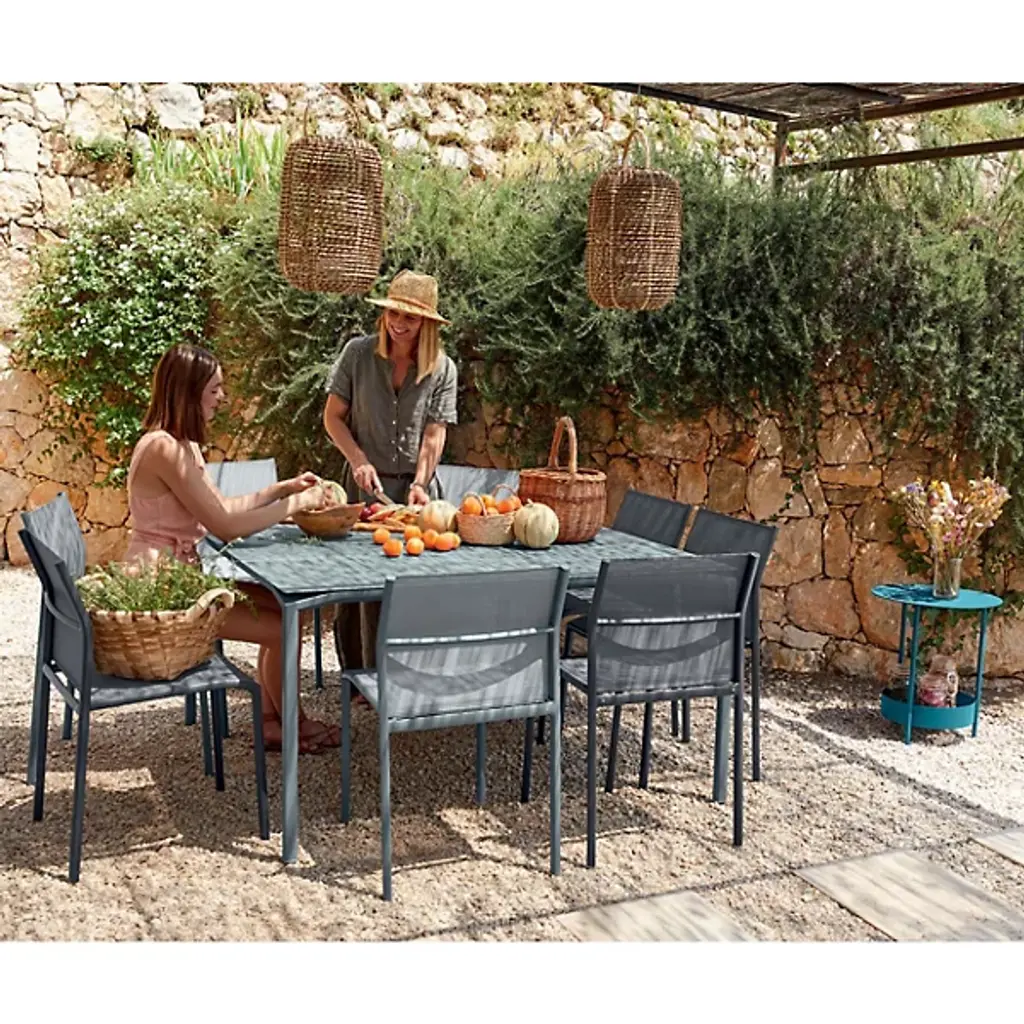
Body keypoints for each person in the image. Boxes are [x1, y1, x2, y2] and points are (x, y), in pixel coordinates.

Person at [125, 343, 340, 754]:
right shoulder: (162, 447)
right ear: (188, 392)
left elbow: (220, 509)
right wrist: (297, 504)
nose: (221, 398)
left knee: (284, 608)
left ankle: (273, 722)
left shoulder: (182, 445)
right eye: (214, 390)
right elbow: (224, 526)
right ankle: (291, 725)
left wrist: (280, 490)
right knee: (282, 626)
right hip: (162, 591)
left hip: (184, 578)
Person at [323, 270, 458, 669]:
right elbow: (333, 418)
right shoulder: (357, 354)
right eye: (393, 313)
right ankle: (360, 675)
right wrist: (358, 459)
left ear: (427, 323)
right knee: (360, 585)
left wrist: (421, 483)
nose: (399, 323)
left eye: (410, 317)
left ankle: (410, 672)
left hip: (417, 496)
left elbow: (434, 434)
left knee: (415, 585)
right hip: (363, 488)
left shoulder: (442, 369)